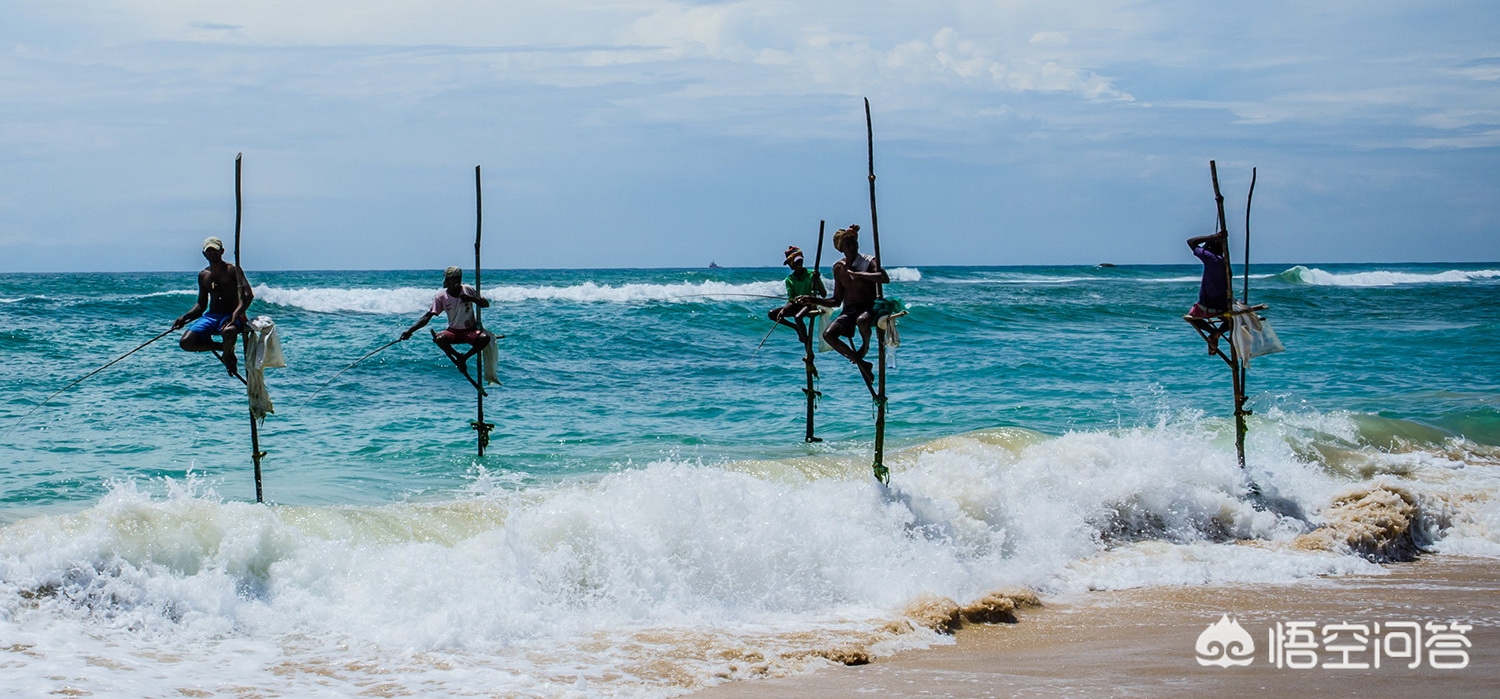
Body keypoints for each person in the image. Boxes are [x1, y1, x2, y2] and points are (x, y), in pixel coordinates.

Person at [798, 224, 889, 394]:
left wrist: (860, 275)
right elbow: (836, 300)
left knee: (862, 321)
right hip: (849, 310)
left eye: (854, 242)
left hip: (868, 306)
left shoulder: (868, 261)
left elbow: (884, 278)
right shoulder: (838, 267)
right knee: (828, 335)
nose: (852, 247)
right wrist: (811, 299)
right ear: (841, 249)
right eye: (848, 245)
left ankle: (865, 346)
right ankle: (862, 363)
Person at [172, 236, 253, 377]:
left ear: (222, 251)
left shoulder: (233, 270)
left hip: (232, 315)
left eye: (215, 250)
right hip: (212, 316)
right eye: (208, 251)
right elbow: (201, 305)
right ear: (204, 254)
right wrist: (184, 318)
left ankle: (228, 355)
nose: (212, 254)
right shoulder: (204, 275)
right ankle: (224, 348)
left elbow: (248, 295)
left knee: (228, 331)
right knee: (186, 342)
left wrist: (236, 314)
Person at [401, 266, 493, 378]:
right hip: (454, 331)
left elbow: (485, 304)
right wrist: (410, 331)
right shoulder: (441, 297)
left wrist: (472, 299)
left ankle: (464, 358)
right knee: (439, 339)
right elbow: (428, 316)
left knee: (485, 338)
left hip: (470, 331)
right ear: (447, 281)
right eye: (454, 278)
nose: (457, 281)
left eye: (459, 278)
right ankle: (458, 356)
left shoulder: (467, 289)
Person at [767, 245, 826, 344]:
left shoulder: (812, 274)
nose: (799, 264)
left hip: (810, 304)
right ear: (791, 265)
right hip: (797, 305)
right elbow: (791, 299)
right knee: (772, 314)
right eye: (796, 262)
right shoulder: (789, 280)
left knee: (798, 318)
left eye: (800, 261)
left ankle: (806, 341)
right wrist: (784, 309)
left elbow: (823, 294)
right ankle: (796, 328)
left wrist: (817, 280)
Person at [1187, 230, 1230, 353]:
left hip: (1206, 307)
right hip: (1223, 309)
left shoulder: (1211, 259)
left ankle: (1214, 333)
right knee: (1230, 320)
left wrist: (1212, 237)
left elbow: (1191, 242)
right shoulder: (1223, 261)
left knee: (1192, 317)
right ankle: (1217, 334)